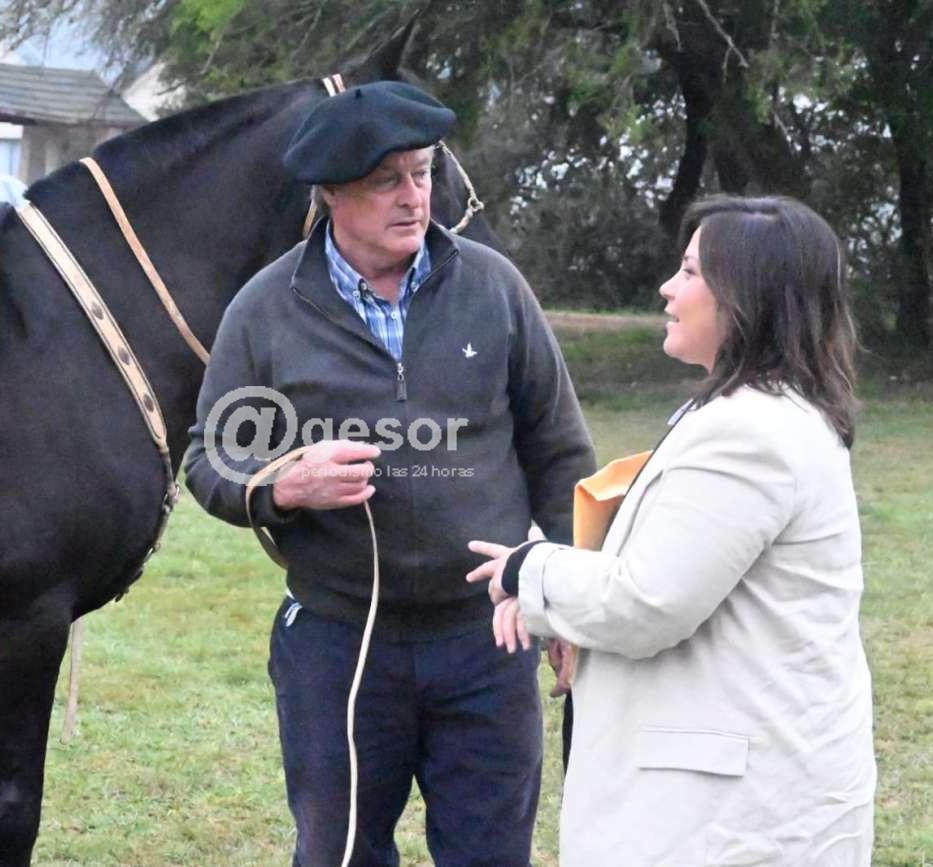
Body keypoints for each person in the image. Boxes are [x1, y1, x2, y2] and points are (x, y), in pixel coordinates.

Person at [183, 81, 595, 866]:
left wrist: (571, 597)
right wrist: (283, 487)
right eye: (387, 180)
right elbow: (210, 458)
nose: (415, 197)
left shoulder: (494, 287)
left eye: (423, 172)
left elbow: (561, 454)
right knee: (340, 854)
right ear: (331, 193)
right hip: (338, 645)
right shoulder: (266, 309)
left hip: (488, 637)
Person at [468, 195, 877, 865]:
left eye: (689, 271)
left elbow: (646, 602)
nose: (667, 287)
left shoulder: (750, 432)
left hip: (732, 813)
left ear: (745, 296)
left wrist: (528, 569)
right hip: (741, 791)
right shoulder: (761, 413)